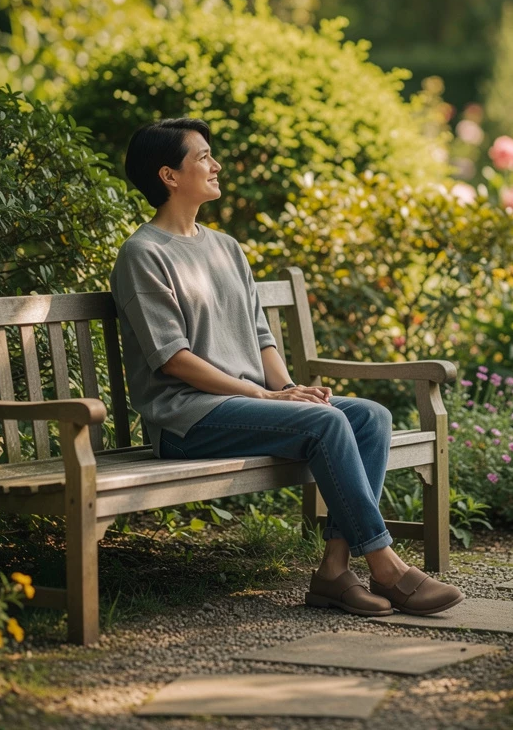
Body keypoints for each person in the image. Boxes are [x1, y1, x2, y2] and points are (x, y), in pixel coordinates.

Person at [110, 118, 463, 617]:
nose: (216, 165)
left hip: (248, 405)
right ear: (169, 176)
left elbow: (261, 339)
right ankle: (387, 569)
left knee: (370, 416)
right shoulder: (143, 254)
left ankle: (334, 572)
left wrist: (291, 389)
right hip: (187, 419)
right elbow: (175, 359)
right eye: (203, 157)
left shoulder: (226, 248)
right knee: (325, 421)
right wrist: (265, 398)